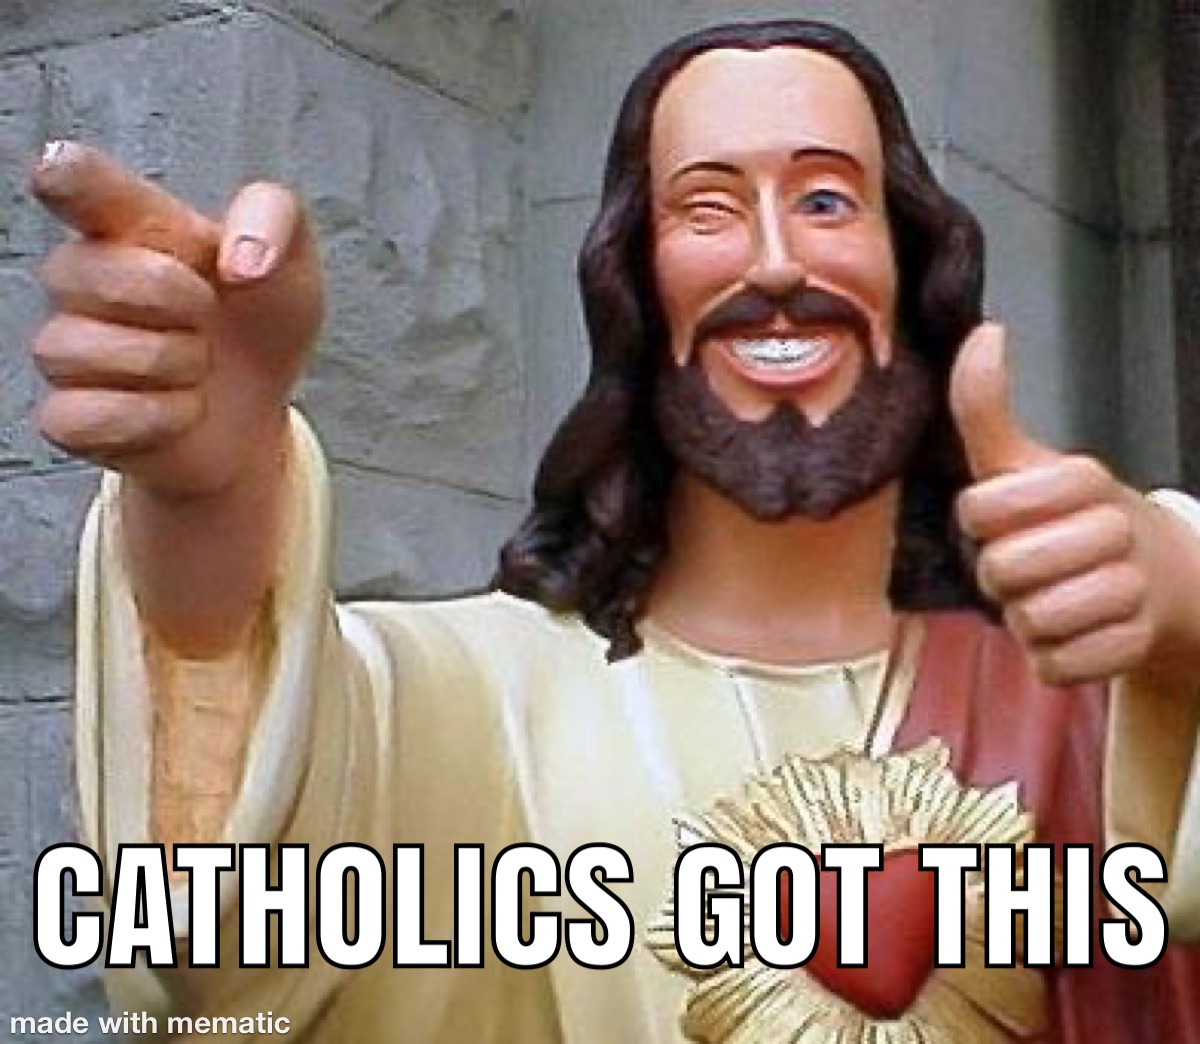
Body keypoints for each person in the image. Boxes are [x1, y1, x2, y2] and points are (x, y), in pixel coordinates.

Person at [29, 17, 1200, 1044]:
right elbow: (226, 938)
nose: (776, 260)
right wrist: (211, 494)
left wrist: (1186, 619)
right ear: (634, 281)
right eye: (708, 209)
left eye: (826, 200)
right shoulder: (485, 700)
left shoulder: (1089, 705)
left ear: (911, 264)